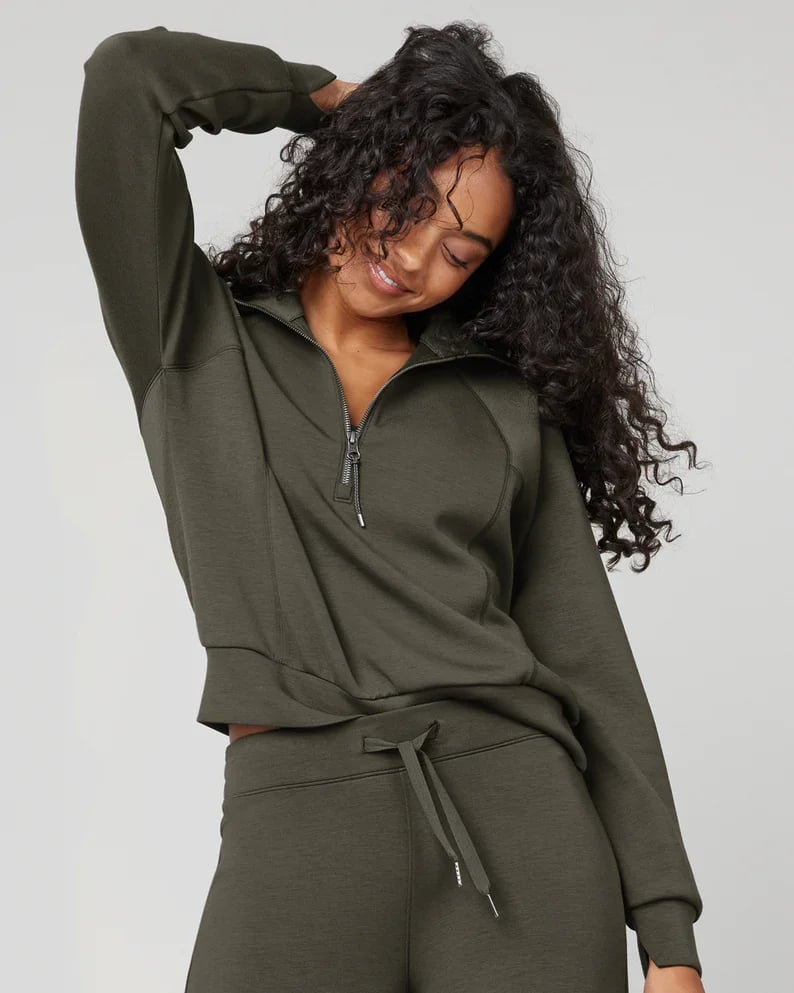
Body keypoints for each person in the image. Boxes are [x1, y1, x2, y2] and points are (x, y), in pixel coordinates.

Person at [75, 20, 706, 993]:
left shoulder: (499, 407)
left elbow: (591, 665)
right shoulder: (190, 341)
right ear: (360, 162)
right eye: (402, 197)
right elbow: (130, 80)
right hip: (296, 814)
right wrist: (327, 98)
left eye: (458, 250)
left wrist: (667, 938)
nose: (411, 256)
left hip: (520, 823)